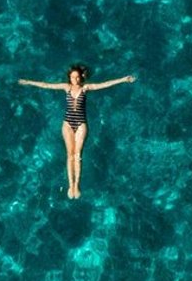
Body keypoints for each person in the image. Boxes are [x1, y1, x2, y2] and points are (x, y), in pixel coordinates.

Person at [17, 63, 134, 198]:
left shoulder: (85, 88)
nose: (75, 80)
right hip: (67, 124)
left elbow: (104, 84)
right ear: (69, 78)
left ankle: (76, 185)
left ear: (81, 77)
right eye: (73, 77)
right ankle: (70, 184)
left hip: (81, 125)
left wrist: (123, 79)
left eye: (77, 77)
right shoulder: (66, 88)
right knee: (70, 154)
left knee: (77, 155)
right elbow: (47, 85)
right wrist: (28, 82)